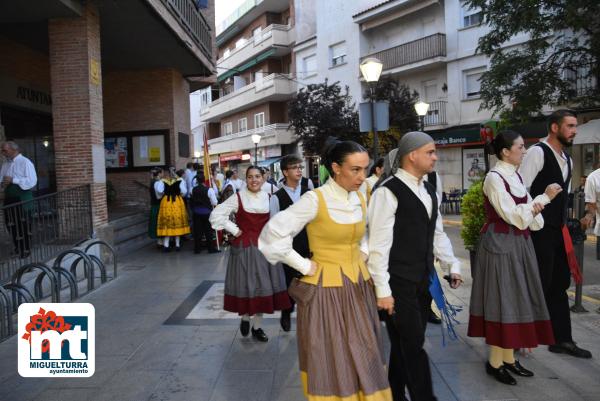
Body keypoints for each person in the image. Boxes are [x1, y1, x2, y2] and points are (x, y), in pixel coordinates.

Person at [259, 139, 392, 401]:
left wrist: (362, 252)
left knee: (367, 350)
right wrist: (304, 264)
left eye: (364, 169)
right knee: (334, 355)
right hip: (326, 292)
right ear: (335, 168)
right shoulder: (315, 199)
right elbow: (271, 236)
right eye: (355, 169)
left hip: (359, 285)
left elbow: (367, 234)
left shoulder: (361, 196)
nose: (362, 176)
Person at [368, 132, 462, 401]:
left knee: (403, 343)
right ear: (413, 155)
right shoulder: (387, 192)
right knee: (413, 344)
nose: (435, 156)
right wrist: (383, 291)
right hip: (396, 282)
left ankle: (395, 393)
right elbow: (378, 246)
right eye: (430, 152)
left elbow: (437, 233)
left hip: (422, 278)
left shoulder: (429, 189)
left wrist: (451, 265)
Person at [468, 131, 560, 385]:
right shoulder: (493, 178)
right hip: (500, 244)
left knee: (514, 298)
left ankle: (507, 359)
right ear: (505, 152)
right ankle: (495, 362)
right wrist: (544, 198)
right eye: (521, 146)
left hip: (518, 243)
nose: (525, 150)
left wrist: (538, 204)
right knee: (502, 299)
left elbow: (530, 217)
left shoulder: (515, 175)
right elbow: (515, 215)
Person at [519, 109, 592, 358]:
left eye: (575, 126)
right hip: (537, 230)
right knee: (536, 283)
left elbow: (563, 197)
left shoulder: (568, 159)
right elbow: (520, 190)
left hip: (557, 231)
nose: (574, 130)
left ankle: (562, 339)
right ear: (554, 127)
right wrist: (532, 221)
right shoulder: (538, 153)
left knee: (559, 283)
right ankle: (517, 337)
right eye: (570, 126)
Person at [210, 165, 290, 343]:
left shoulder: (270, 197)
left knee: (262, 287)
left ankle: (257, 326)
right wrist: (234, 229)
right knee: (248, 286)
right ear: (245, 179)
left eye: (257, 177)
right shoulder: (238, 197)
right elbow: (216, 214)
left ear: (263, 178)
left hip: (265, 249)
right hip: (245, 249)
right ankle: (245, 318)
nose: (254, 180)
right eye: (250, 177)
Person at [268, 154, 311, 332]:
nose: (299, 170)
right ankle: (287, 310)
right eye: (295, 168)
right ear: (285, 172)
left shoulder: (309, 193)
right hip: (288, 245)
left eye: (300, 167)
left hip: (308, 243)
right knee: (289, 281)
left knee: (307, 280)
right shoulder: (276, 197)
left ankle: (307, 314)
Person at [1, 141, 37, 258]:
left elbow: (32, 181)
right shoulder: (5, 165)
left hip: (22, 198)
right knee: (10, 224)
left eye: (5, 150)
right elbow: (1, 179)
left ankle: (25, 249)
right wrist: (3, 186)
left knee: (23, 224)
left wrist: (14, 180)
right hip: (9, 198)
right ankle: (17, 247)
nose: (3, 152)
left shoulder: (25, 162)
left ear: (14, 150)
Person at [155, 167, 190, 252]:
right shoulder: (179, 180)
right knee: (177, 222)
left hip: (166, 202)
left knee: (167, 222)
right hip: (177, 202)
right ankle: (177, 245)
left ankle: (166, 246)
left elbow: (159, 190)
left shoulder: (163, 181)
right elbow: (184, 191)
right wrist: (179, 193)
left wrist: (165, 192)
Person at [190, 172, 219, 254]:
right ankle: (211, 249)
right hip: (206, 213)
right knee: (208, 231)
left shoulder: (193, 189)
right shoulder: (209, 190)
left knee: (197, 231)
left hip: (196, 213)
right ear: (204, 180)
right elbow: (214, 202)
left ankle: (197, 249)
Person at [148, 167, 163, 247]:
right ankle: (160, 242)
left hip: (154, 204)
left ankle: (160, 241)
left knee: (157, 223)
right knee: (159, 223)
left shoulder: (152, 181)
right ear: (159, 173)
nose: (162, 174)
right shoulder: (157, 182)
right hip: (158, 205)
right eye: (162, 173)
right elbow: (159, 195)